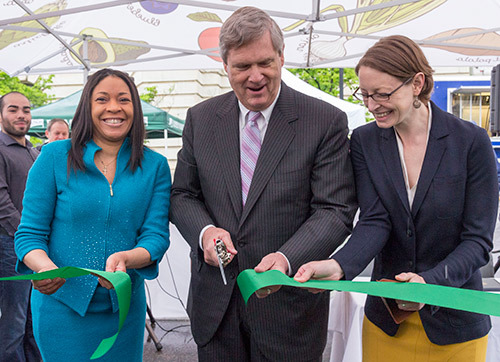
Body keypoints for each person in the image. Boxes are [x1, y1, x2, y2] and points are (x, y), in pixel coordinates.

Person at [169, 6, 357, 362]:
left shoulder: (324, 121)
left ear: (282, 58)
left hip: (288, 308)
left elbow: (335, 210)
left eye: (265, 63)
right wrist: (206, 232)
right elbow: (182, 195)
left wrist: (287, 258)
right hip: (217, 309)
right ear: (225, 66)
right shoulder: (201, 119)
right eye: (242, 66)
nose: (255, 76)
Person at [294, 35, 498, 362]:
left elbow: (477, 242)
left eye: (383, 94)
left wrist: (427, 284)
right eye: (366, 94)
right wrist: (339, 265)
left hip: (455, 325)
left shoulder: (471, 142)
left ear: (417, 83)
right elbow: (375, 221)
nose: (372, 104)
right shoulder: (363, 141)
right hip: (387, 323)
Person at [14, 69, 171, 361]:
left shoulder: (156, 166)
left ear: (135, 108)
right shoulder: (53, 157)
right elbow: (29, 234)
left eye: (123, 99)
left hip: (123, 309)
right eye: (102, 99)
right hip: (61, 308)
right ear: (88, 107)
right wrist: (45, 267)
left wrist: (127, 258)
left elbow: (156, 236)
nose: (114, 107)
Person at [0, 91, 41, 361]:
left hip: (34, 248)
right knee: (13, 320)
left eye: (25, 110)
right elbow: (2, 203)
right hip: (11, 245)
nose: (21, 115)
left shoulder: (34, 151)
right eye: (13, 109)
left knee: (33, 318)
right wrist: (25, 238)